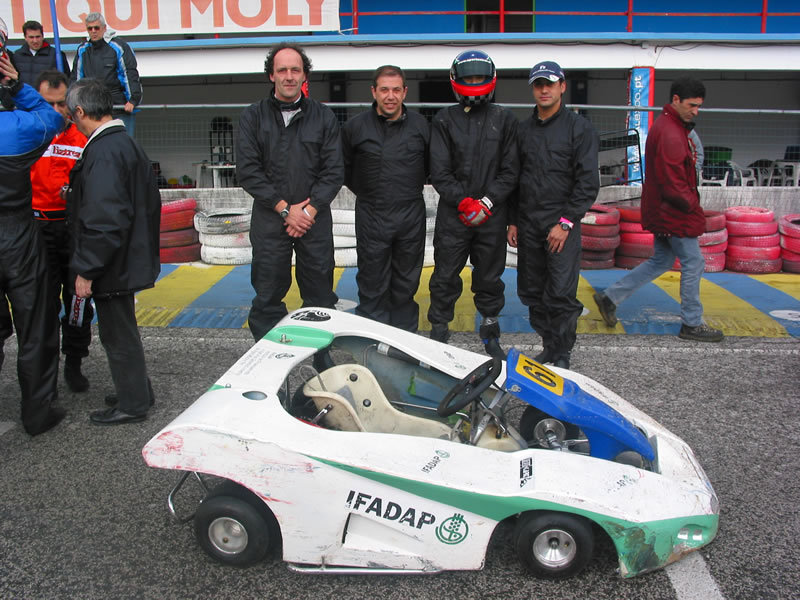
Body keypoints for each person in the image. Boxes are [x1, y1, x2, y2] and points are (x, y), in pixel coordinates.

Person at [593, 77, 723, 343]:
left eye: (699, 106)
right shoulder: (672, 133)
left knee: (662, 260)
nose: (695, 111)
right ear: (676, 100)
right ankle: (692, 323)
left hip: (663, 210)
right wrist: (693, 209)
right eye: (692, 105)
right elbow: (674, 183)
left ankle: (610, 297)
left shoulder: (668, 127)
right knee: (694, 262)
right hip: (675, 211)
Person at [66, 79, 161, 425]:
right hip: (127, 256)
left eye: (69, 111)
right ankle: (136, 390)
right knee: (124, 330)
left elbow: (104, 218)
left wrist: (87, 269)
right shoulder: (123, 143)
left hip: (113, 262)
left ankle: (133, 404)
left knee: (117, 335)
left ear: (80, 111)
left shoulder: (104, 151)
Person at [236, 42, 343, 341]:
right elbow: (248, 171)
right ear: (271, 75)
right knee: (267, 296)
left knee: (320, 295)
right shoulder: (252, 117)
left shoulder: (324, 117)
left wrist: (308, 211)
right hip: (271, 220)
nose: (289, 76)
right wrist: (285, 208)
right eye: (282, 70)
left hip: (314, 220)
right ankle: (269, 357)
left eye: (295, 69)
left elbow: (334, 171)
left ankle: (320, 356)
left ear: (304, 75)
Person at [427, 49, 518, 360]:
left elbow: (511, 170)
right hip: (455, 215)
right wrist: (464, 202)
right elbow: (439, 170)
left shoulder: (505, 120)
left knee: (490, 279)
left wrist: (488, 203)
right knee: (444, 277)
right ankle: (438, 333)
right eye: (470, 78)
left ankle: (491, 336)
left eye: (479, 77)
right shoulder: (443, 120)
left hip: (492, 215)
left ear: (491, 80)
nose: (475, 82)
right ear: (456, 81)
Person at [508, 61, 599, 369]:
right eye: (538, 84)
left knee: (560, 295)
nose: (544, 89)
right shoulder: (522, 131)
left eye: (550, 83)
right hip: (528, 224)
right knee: (531, 293)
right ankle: (549, 346)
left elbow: (588, 183)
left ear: (562, 86)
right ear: (533, 89)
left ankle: (561, 356)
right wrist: (512, 220)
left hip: (561, 224)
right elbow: (514, 178)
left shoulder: (580, 129)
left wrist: (565, 222)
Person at [0, 36, 66, 436]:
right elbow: (52, 117)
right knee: (36, 325)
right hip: (17, 232)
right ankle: (37, 413)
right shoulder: (16, 125)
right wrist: (16, 87)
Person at [342, 65, 430, 332]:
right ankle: (372, 346)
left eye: (395, 90)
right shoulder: (355, 127)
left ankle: (405, 347)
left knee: (406, 284)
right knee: (372, 285)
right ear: (374, 92)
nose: (390, 96)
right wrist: (372, 194)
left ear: (404, 92)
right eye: (384, 90)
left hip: (410, 214)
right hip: (372, 214)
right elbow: (345, 170)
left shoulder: (421, 126)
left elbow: (429, 167)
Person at [31, 70, 92, 393]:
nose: (57, 111)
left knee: (78, 301)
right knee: (41, 304)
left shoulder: (82, 138)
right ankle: (45, 372)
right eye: (48, 104)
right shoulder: (28, 135)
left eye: (61, 104)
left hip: (72, 230)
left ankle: (75, 361)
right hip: (35, 229)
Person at [70, 12, 141, 135]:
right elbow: (76, 79)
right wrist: (73, 104)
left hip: (118, 108)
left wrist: (133, 100)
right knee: (96, 147)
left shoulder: (118, 46)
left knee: (123, 146)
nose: (93, 31)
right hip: (93, 109)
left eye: (96, 28)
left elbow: (129, 74)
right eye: (90, 28)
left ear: (104, 28)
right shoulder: (83, 49)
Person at [11, 20, 70, 85]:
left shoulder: (56, 54)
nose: (35, 40)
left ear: (42, 36)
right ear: (25, 37)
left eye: (38, 37)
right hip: (24, 95)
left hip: (47, 95)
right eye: (31, 37)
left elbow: (66, 79)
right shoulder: (17, 55)